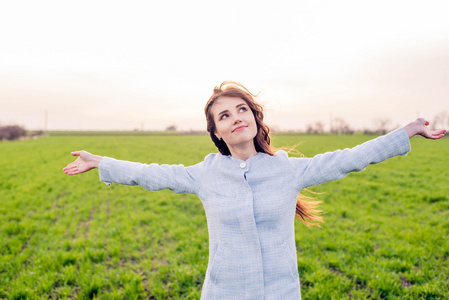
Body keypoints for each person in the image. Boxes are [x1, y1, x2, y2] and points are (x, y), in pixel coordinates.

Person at [63, 81, 446, 299]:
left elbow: (347, 158)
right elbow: (153, 174)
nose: (235, 118)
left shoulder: (287, 170)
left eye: (241, 109)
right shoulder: (206, 174)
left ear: (253, 116)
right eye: (224, 116)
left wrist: (407, 131)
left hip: (281, 292)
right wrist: (101, 162)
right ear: (216, 131)